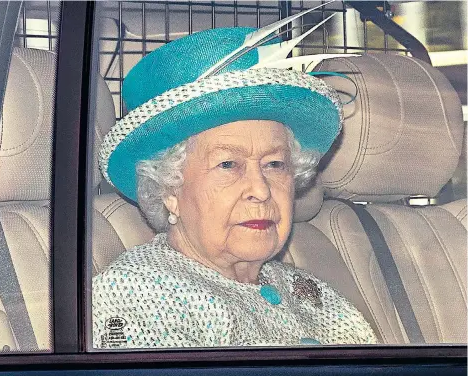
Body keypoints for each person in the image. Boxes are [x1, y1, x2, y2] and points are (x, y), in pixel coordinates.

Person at [93, 11, 378, 349]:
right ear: (169, 187)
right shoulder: (137, 294)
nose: (260, 190)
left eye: (275, 164)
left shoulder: (308, 290)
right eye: (228, 164)